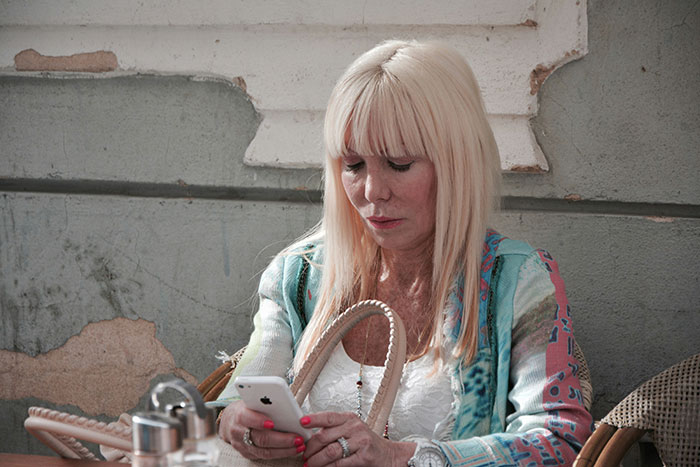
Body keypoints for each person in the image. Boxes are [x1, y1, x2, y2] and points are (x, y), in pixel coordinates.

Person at [216, 39, 593, 466]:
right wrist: (236, 422)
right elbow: (241, 394)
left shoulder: (516, 281)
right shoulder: (298, 275)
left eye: (399, 163)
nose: (373, 191)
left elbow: (560, 442)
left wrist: (403, 457)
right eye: (353, 165)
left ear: (457, 163)